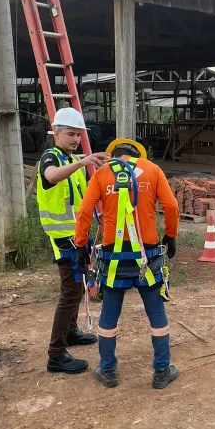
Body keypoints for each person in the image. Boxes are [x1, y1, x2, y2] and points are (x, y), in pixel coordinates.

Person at [74, 138, 180, 389]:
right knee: (156, 313)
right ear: (138, 154)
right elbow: (172, 206)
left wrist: (81, 245)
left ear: (113, 155)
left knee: (110, 314)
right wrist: (171, 235)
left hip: (113, 256)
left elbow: (85, 211)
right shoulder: (152, 170)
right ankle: (161, 370)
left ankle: (108, 370)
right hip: (148, 254)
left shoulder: (102, 173)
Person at [37, 107, 109, 374]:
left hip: (76, 236)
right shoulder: (52, 157)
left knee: (76, 289)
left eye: (78, 135)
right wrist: (81, 162)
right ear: (55, 133)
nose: (76, 139)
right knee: (70, 292)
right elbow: (51, 176)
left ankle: (70, 333)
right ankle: (56, 354)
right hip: (62, 237)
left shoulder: (72, 160)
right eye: (70, 134)